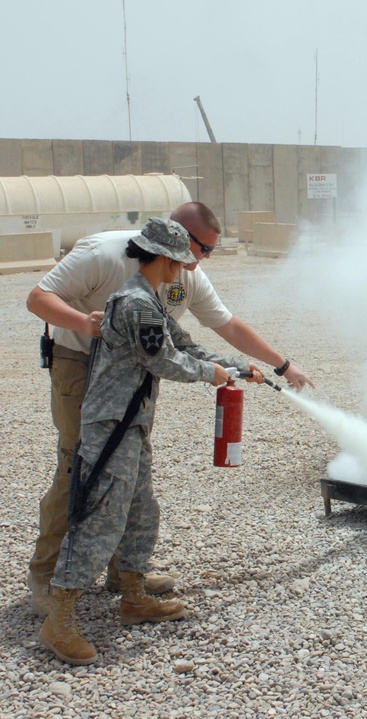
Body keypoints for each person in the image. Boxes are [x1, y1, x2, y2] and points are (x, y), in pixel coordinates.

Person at [26, 201, 314, 617]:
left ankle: (123, 575)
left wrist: (272, 365)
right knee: (80, 467)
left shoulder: (182, 279)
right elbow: (38, 298)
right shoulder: (105, 256)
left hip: (135, 378)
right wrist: (84, 324)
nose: (202, 262)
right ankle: (48, 579)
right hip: (80, 363)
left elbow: (216, 329)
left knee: (129, 476)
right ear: (174, 242)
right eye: (202, 250)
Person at [39, 217, 264, 665]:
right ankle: (59, 620)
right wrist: (210, 375)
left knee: (141, 508)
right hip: (112, 425)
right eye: (181, 261)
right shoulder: (135, 303)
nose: (184, 270)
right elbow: (166, 361)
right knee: (101, 516)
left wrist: (236, 368)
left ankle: (133, 595)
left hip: (131, 422)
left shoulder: (151, 300)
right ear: (163, 259)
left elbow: (186, 345)